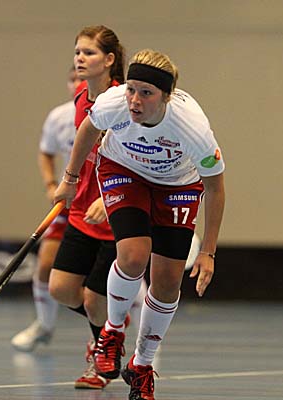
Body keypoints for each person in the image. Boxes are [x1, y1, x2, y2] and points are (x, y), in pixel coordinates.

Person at [55, 49, 226, 400]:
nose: (134, 100)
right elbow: (89, 128)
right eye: (131, 89)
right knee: (133, 255)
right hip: (123, 170)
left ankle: (142, 365)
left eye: (146, 93)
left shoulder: (191, 126)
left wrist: (208, 251)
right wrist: (70, 179)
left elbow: (215, 187)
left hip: (177, 185)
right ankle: (112, 332)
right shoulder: (114, 102)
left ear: (166, 96)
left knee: (167, 283)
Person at [48, 25, 146, 390]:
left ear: (108, 60)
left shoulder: (123, 102)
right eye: (77, 51)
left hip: (115, 213)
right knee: (60, 288)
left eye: (88, 52)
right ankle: (110, 327)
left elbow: (137, 158)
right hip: (81, 211)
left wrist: (108, 199)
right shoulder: (80, 97)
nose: (79, 58)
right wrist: (69, 184)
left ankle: (102, 358)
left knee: (93, 299)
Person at [10, 66, 81, 352]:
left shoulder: (111, 111)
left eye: (82, 78)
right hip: (69, 204)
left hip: (104, 204)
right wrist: (51, 183)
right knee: (45, 265)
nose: (77, 83)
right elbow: (46, 151)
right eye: (72, 79)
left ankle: (141, 340)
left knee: (124, 269)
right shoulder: (59, 116)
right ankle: (44, 325)